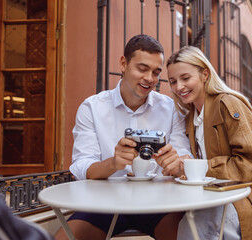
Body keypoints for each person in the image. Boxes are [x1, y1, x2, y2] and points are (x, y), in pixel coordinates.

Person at [55, 35, 191, 240]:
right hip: (104, 201)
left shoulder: (171, 108)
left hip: (159, 202)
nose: (150, 79)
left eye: (156, 72)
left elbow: (184, 157)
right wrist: (113, 164)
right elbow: (82, 166)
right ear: (123, 64)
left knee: (183, 236)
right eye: (142, 69)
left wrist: (176, 163)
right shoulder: (92, 107)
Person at [167, 46, 252, 239]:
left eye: (185, 78)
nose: (178, 87)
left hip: (249, 196)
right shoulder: (192, 116)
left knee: (194, 226)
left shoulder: (228, 104)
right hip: (217, 195)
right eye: (173, 81)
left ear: (205, 74)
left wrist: (196, 167)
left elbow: (251, 165)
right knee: (181, 218)